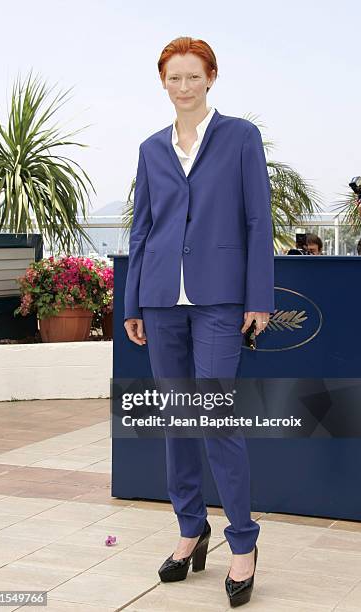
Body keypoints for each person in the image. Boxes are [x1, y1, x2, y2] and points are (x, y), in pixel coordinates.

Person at [124, 36, 274, 608]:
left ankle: (243, 540)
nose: (183, 87)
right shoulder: (150, 148)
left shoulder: (240, 138)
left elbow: (258, 221)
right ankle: (191, 529)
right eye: (173, 78)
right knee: (176, 423)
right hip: (162, 301)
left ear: (211, 78)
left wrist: (256, 299)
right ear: (163, 83)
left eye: (193, 76)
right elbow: (141, 229)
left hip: (219, 303)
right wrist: (133, 302)